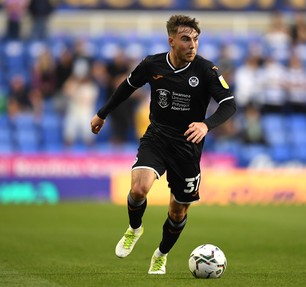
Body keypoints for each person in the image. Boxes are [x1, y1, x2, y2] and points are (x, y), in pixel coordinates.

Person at [90, 15, 236, 275]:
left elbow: (229, 104)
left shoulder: (206, 70)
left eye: (196, 39)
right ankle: (134, 229)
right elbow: (126, 87)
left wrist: (206, 125)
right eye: (185, 39)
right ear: (171, 40)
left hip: (188, 148)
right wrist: (102, 113)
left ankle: (161, 255)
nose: (192, 45)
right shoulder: (152, 64)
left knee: (177, 212)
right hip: (157, 137)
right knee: (138, 190)